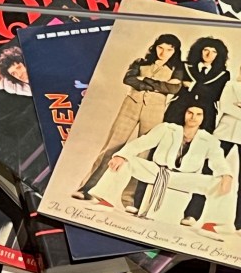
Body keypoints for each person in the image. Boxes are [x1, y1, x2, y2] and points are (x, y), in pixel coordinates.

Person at [73, 34, 184, 203]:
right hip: (130, 105)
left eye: (169, 50)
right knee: (111, 147)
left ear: (175, 51)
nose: (163, 52)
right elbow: (129, 79)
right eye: (161, 48)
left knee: (143, 153)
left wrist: (144, 80)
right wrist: (156, 85)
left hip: (155, 110)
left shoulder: (177, 69)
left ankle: (129, 199)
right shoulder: (140, 62)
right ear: (155, 47)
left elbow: (173, 88)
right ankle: (85, 188)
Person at [88, 106, 236, 232]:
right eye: (190, 112)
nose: (193, 117)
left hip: (184, 178)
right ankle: (106, 201)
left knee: (224, 182)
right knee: (125, 160)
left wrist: (226, 174)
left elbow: (218, 161)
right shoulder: (167, 128)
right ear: (183, 113)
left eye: (199, 114)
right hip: (158, 171)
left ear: (204, 117)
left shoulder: (209, 140)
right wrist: (121, 155)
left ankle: (212, 224)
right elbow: (142, 142)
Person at [214, 65, 241, 231]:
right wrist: (234, 107)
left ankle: (240, 224)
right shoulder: (231, 85)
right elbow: (225, 106)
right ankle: (193, 214)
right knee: (209, 171)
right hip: (224, 132)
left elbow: (232, 108)